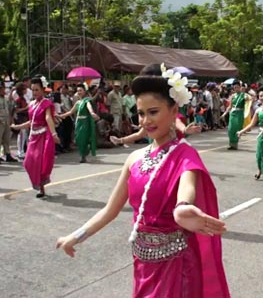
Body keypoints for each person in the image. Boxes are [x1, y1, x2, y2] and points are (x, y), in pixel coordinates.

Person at [56, 72, 230, 298]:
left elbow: (187, 185)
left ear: (174, 111)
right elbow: (110, 210)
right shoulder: (134, 159)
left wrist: (183, 208)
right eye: (141, 113)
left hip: (178, 267)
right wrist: (76, 236)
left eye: (153, 112)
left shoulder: (185, 155)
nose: (146, 121)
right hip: (142, 264)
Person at [10, 76, 60, 198]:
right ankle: (38, 185)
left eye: (37, 89)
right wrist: (17, 127)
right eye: (33, 90)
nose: (35, 92)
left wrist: (54, 134)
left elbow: (48, 118)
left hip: (43, 137)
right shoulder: (31, 104)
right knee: (28, 162)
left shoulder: (46, 103)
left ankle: (41, 188)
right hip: (33, 137)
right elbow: (30, 122)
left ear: (43, 90)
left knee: (41, 163)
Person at [59, 83, 99, 163]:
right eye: (78, 91)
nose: (79, 92)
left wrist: (92, 113)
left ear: (85, 91)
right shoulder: (77, 102)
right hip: (78, 123)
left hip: (85, 123)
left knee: (83, 139)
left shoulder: (86, 101)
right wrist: (60, 116)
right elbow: (70, 112)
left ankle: (83, 155)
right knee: (77, 139)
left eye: (80, 90)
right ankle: (84, 152)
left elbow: (89, 107)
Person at [221, 80, 249, 150]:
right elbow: (230, 106)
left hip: (239, 114)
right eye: (234, 87)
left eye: (237, 87)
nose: (236, 89)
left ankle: (235, 144)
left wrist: (247, 99)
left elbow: (249, 101)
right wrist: (224, 114)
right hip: (233, 114)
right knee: (230, 129)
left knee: (237, 129)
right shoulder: (233, 96)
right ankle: (231, 143)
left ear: (240, 87)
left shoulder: (244, 95)